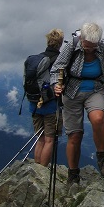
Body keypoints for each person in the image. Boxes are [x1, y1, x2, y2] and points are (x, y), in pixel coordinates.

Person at [51, 22, 104, 185]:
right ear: (81, 39)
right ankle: (73, 173)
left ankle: (103, 158)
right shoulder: (72, 46)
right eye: (86, 45)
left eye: (93, 46)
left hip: (95, 88)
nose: (89, 49)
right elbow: (57, 68)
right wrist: (56, 84)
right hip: (71, 90)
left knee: (98, 118)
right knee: (75, 135)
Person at [30, 28, 64, 166]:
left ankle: (37, 167)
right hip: (50, 105)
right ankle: (43, 170)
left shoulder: (37, 58)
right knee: (50, 139)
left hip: (34, 104)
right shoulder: (59, 60)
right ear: (60, 43)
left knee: (40, 138)